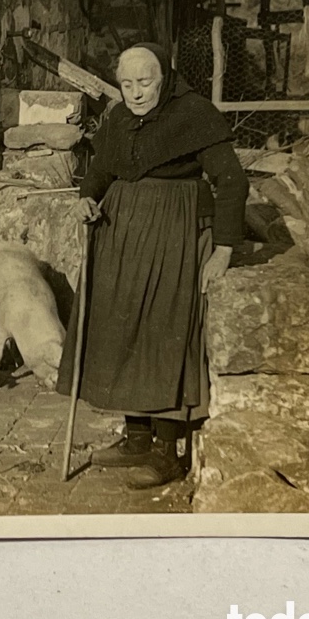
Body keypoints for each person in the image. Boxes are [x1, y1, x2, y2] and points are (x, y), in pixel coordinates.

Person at [57, 43, 249, 488]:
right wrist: (87, 196)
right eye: (127, 84)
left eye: (146, 83)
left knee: (163, 332)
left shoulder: (195, 114)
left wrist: (224, 248)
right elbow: (101, 167)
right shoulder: (118, 118)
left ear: (166, 77)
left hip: (174, 234)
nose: (136, 93)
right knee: (122, 330)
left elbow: (231, 180)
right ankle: (136, 437)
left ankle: (167, 451)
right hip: (120, 235)